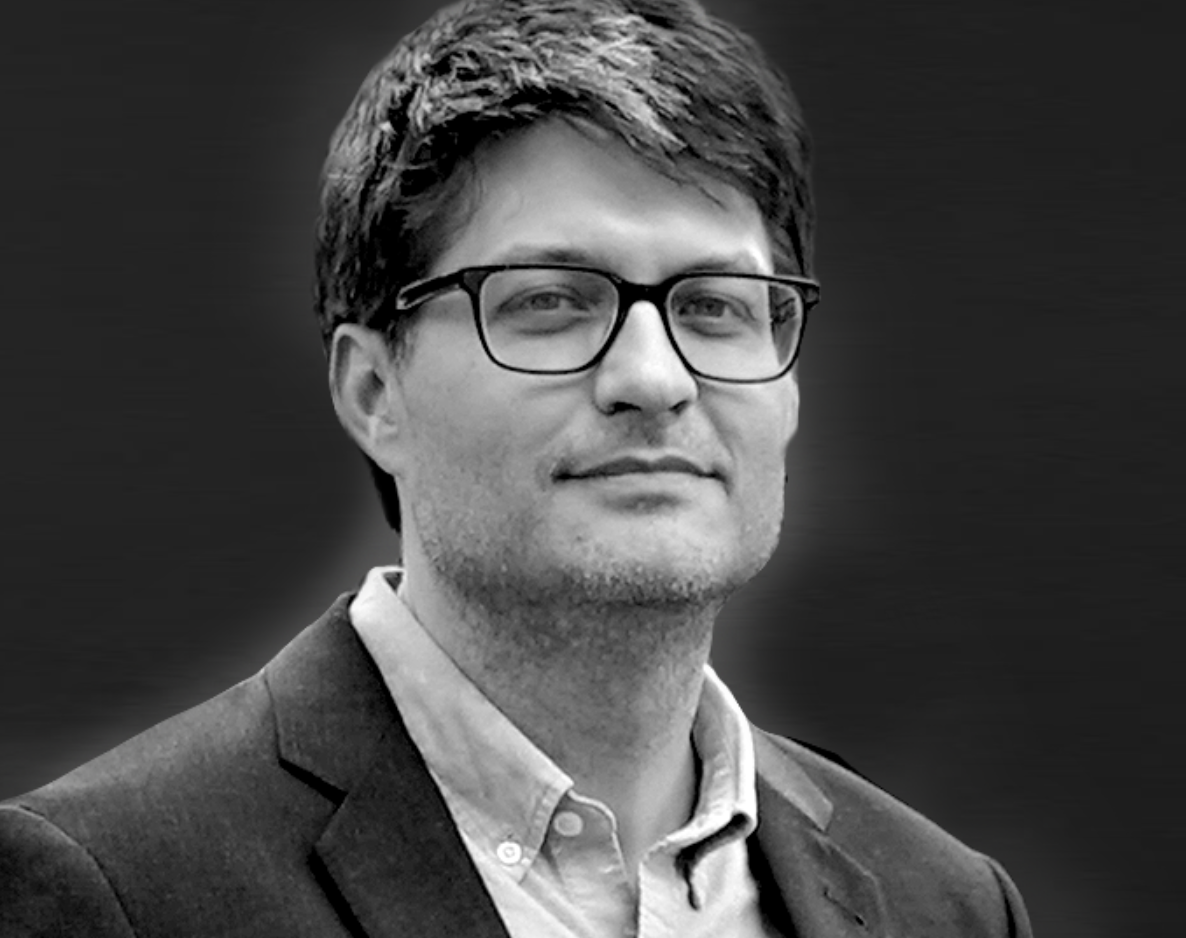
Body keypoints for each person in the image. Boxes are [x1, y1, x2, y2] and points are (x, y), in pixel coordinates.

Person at [0, 0, 1032, 935]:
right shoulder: (109, 890)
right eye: (549, 301)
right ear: (374, 391)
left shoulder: (947, 904)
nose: (653, 378)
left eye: (715, 306)